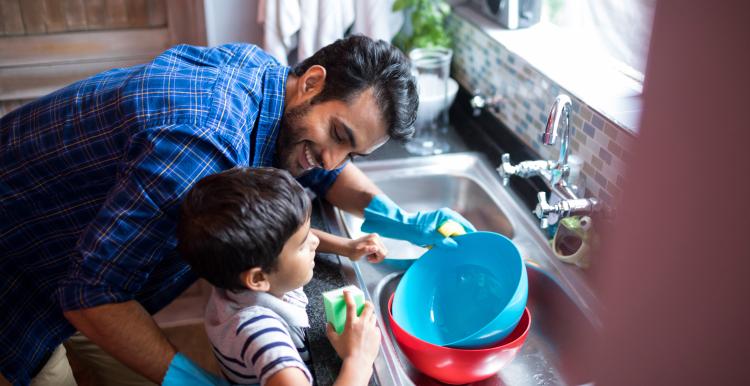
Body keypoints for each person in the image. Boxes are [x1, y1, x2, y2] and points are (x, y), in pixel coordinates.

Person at [0, 35, 475, 385]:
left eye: (352, 153)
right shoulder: (203, 147)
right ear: (312, 82)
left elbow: (320, 168)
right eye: (339, 135)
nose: (333, 161)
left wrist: (398, 218)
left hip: (80, 263)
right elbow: (90, 293)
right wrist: (193, 381)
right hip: (19, 280)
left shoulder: (268, 79)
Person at [177, 166, 383, 386]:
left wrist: (346, 246)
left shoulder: (236, 272)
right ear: (257, 279)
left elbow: (291, 237)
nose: (314, 241)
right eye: (304, 244)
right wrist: (358, 359)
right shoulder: (260, 333)